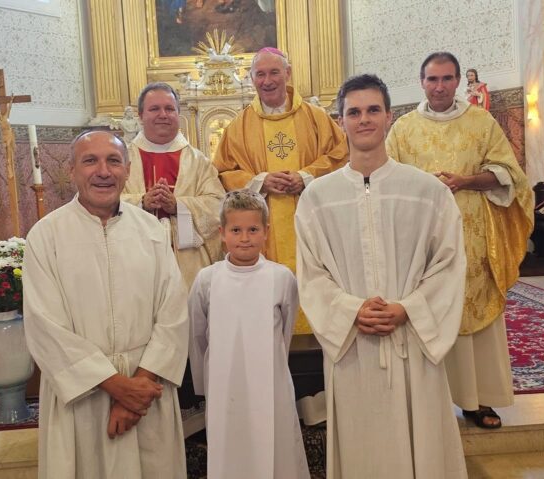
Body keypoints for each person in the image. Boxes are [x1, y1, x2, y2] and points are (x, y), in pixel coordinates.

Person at [295, 73, 468, 478]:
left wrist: (408, 308)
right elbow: (312, 274)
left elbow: (448, 264)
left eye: (373, 110)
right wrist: (352, 310)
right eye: (353, 112)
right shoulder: (317, 198)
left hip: (413, 343)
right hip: (354, 347)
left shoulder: (427, 192)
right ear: (340, 122)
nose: (364, 119)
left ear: (390, 116)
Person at [23, 131, 189, 478]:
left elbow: (173, 313)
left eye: (113, 161)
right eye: (90, 161)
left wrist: (138, 387)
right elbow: (45, 326)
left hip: (147, 393)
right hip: (84, 398)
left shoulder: (152, 231)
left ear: (127, 170)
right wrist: (117, 386)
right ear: (71, 170)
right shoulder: (46, 236)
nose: (103, 171)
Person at [387, 52, 534, 429]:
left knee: (476, 315)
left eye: (447, 79)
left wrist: (465, 181)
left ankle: (478, 400)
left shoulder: (481, 121)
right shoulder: (403, 128)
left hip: (472, 237)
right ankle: (426, 402)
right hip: (421, 239)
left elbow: (509, 174)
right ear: (421, 82)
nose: (440, 87)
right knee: (425, 312)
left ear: (458, 82)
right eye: (432, 79)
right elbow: (385, 179)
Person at [213, 47, 347, 334]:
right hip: (264, 229)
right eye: (260, 74)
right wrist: (260, 182)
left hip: (312, 223)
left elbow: (341, 156)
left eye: (274, 72)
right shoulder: (238, 127)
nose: (267, 80)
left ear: (288, 74)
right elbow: (222, 171)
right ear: (252, 80)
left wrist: (305, 176)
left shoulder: (315, 117)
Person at [188, 189, 310, 479]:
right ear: (222, 233)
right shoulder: (207, 279)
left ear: (266, 231)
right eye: (236, 230)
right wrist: (205, 384)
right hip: (224, 385)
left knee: (275, 447)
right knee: (229, 448)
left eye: (253, 229)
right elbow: (198, 336)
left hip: (271, 382)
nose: (245, 238)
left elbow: (285, 332)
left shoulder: (281, 277)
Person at [122, 83, 225, 288]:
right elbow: (102, 204)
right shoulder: (121, 158)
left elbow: (219, 205)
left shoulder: (198, 161)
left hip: (188, 263)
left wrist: (178, 206)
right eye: (154, 109)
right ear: (141, 115)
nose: (163, 115)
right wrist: (142, 202)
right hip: (135, 258)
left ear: (178, 114)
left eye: (169, 109)